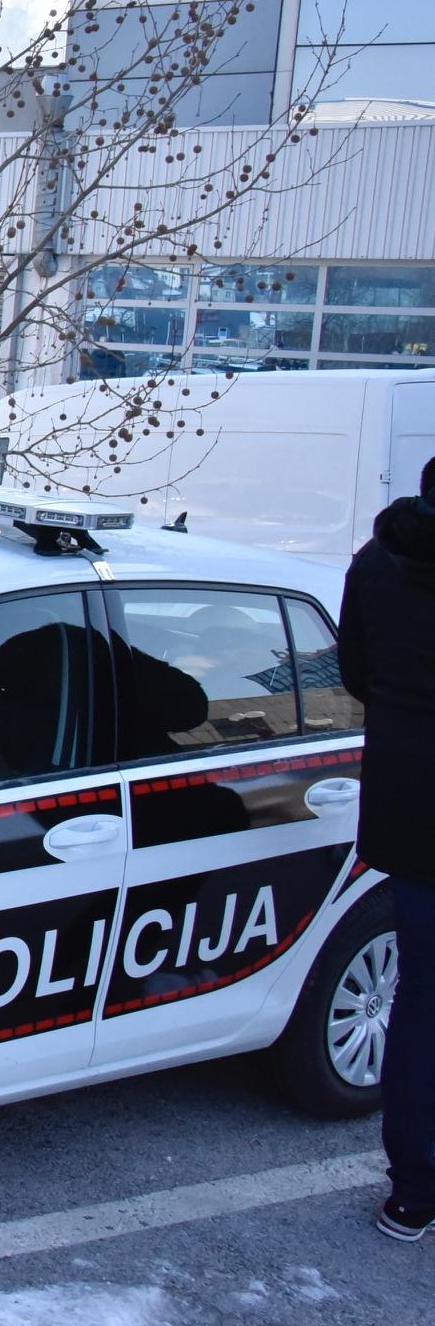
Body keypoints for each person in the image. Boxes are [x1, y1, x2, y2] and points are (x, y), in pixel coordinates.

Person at [339, 454, 435, 1243]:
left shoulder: (378, 558)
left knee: (421, 1004)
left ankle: (413, 1189)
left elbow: (357, 672)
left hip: (408, 807)